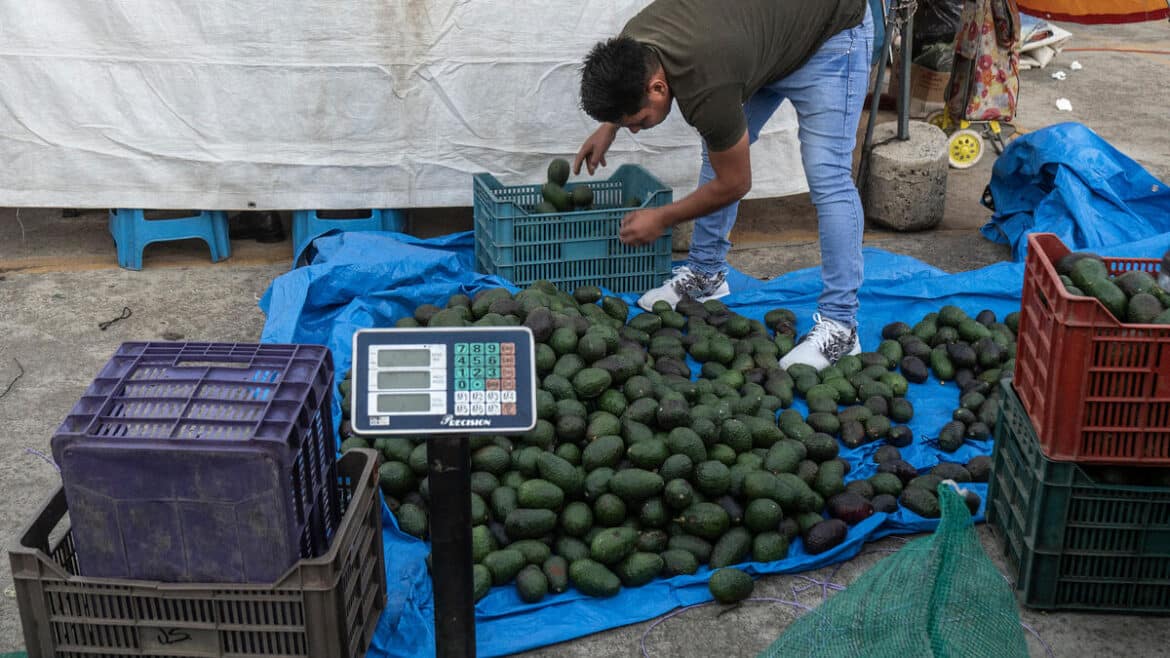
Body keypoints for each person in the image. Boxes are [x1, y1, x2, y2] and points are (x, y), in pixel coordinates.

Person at [574, 0, 874, 369]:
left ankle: (841, 325)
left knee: (828, 177)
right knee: (718, 150)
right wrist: (609, 127)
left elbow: (735, 183)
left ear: (657, 87)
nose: (633, 129)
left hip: (830, 32)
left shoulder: (706, 81)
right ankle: (706, 272)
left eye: (636, 120)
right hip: (763, 40)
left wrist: (663, 218)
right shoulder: (632, 44)